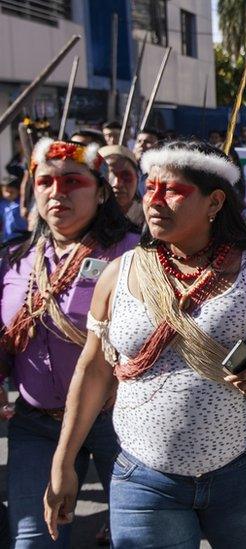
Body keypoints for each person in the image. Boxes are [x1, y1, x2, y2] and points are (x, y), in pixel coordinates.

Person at [44, 141, 246, 547]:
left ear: (214, 203)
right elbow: (93, 370)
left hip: (240, 476)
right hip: (144, 480)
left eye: (172, 190)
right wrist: (63, 461)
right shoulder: (120, 274)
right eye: (150, 187)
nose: (154, 200)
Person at [2, 138, 139, 546]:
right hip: (36, 423)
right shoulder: (14, 259)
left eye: (72, 181)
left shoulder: (135, 255)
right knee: (32, 540)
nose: (56, 192)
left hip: (117, 424)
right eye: (45, 181)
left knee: (132, 539)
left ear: (100, 192)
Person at [98, 145, 144, 227]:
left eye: (126, 176)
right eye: (109, 176)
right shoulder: (85, 219)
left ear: (137, 178)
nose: (117, 184)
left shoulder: (148, 218)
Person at [1, 176, 28, 243]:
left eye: (11, 192)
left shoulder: (22, 204)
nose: (8, 194)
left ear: (18, 191)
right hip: (7, 238)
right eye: (6, 191)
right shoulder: (3, 204)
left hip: (21, 236)